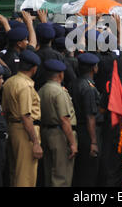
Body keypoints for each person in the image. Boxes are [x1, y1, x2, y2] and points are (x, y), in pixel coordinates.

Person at [2, 49, 43, 187]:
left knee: (15, 172)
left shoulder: (9, 81)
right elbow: (26, 116)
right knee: (26, 176)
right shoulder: (25, 86)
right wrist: (35, 143)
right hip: (25, 132)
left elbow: (5, 111)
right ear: (34, 68)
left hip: (13, 128)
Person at [39, 59, 78, 187]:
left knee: (49, 173)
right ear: (61, 74)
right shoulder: (59, 91)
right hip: (60, 135)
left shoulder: (42, 89)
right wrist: (72, 143)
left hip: (46, 132)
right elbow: (64, 119)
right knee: (62, 176)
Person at [70, 52, 101, 187]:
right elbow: (90, 116)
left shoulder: (73, 83)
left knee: (79, 171)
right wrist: (94, 142)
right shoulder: (88, 88)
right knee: (89, 172)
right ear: (94, 68)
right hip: (88, 133)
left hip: (77, 131)